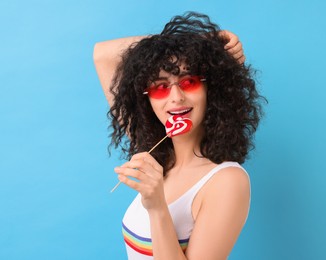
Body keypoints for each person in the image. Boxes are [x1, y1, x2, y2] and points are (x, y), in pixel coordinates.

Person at [93, 11, 264, 260]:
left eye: (189, 81)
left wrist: (157, 206)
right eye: (160, 87)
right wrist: (206, 40)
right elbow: (102, 55)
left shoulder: (226, 181)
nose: (176, 97)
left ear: (212, 90)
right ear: (147, 100)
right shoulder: (157, 156)